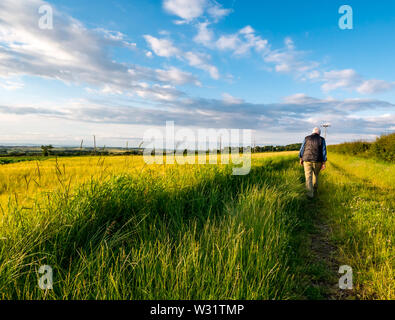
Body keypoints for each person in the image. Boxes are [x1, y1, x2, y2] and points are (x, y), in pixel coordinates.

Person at [299, 127, 327, 198]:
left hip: (307, 160)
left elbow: (302, 148)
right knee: (316, 175)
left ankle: (309, 195)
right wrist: (324, 163)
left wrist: (301, 158)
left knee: (308, 177)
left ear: (312, 132)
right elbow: (324, 152)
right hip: (318, 160)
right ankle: (315, 189)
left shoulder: (306, 138)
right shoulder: (322, 139)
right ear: (319, 133)